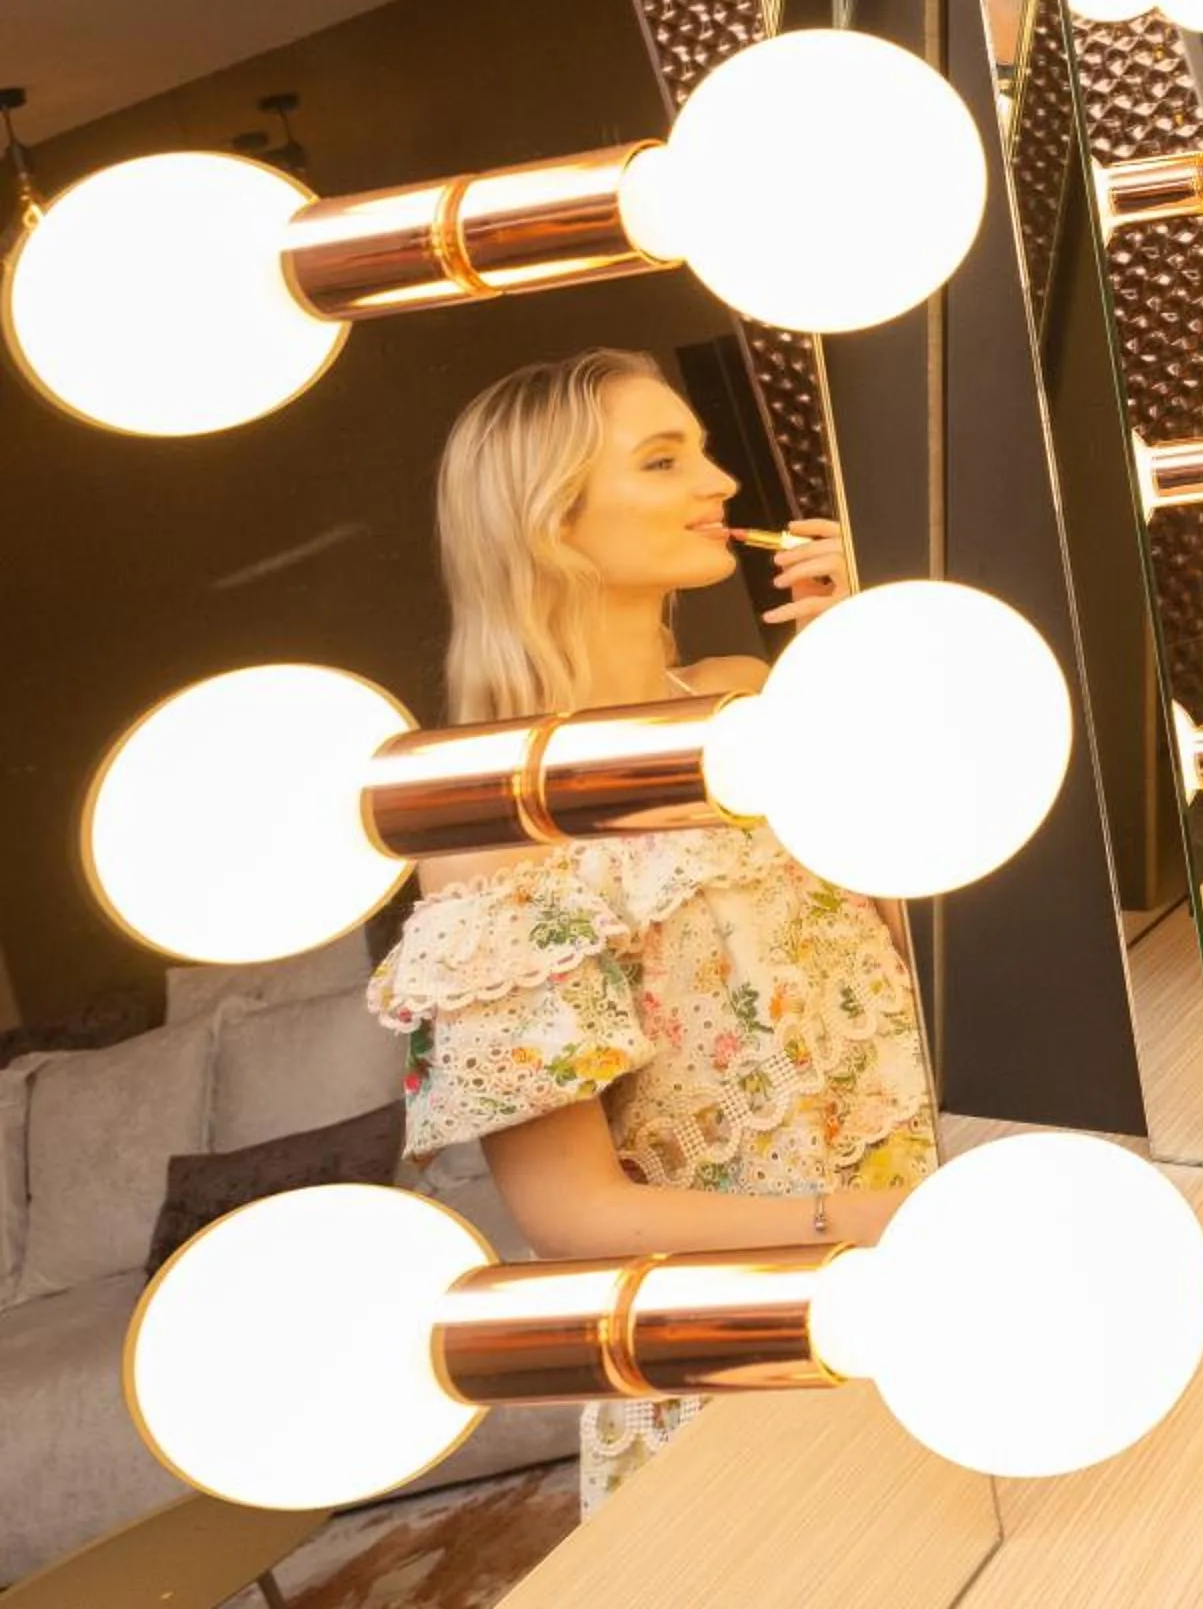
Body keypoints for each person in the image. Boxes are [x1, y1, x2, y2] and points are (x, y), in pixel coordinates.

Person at [364, 348, 936, 1510]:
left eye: (703, 448)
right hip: (743, 1353)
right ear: (550, 522)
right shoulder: (488, 819)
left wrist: (856, 675)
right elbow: (570, 1215)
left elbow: (916, 972)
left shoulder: (750, 695)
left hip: (927, 1268)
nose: (721, 480)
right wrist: (864, 1224)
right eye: (665, 458)